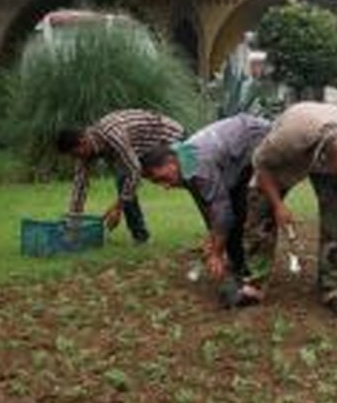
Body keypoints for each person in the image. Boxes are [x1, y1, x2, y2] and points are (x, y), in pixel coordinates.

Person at [239, 102, 337, 317]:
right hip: (296, 144)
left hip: (328, 140)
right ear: (324, 161)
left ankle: (332, 289)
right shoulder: (289, 139)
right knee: (261, 207)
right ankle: (255, 283)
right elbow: (262, 166)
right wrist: (278, 205)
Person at [139, 113, 271, 301]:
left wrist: (216, 251)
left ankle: (252, 277)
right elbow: (204, 202)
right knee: (227, 216)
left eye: (161, 179)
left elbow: (222, 211)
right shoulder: (183, 162)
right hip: (235, 154)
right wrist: (213, 235)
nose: (165, 186)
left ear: (170, 162)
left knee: (247, 211)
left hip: (257, 141)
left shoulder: (198, 164)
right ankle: (239, 266)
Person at [56, 109, 185, 244]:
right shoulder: (86, 151)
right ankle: (141, 238)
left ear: (83, 141)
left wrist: (118, 207)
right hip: (143, 147)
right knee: (124, 181)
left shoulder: (112, 134)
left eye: (74, 154)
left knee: (186, 179)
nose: (76, 158)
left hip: (168, 137)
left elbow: (134, 171)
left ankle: (209, 222)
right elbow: (79, 187)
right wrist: (73, 224)